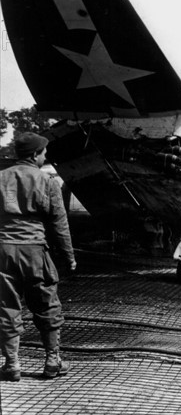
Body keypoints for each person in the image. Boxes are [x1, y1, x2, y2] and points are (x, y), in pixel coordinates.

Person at [0, 132, 76, 382]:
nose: (46, 157)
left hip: (3, 252)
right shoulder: (48, 182)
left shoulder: (0, 178)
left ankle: (11, 364)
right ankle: (52, 361)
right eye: (44, 153)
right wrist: (68, 257)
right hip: (35, 252)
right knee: (47, 305)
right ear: (34, 155)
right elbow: (59, 225)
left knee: (6, 306)